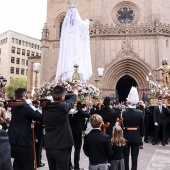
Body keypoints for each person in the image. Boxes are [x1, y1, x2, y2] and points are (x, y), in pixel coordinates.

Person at [42, 85, 77, 170]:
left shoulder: (45, 107)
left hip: (50, 145)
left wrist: (54, 96)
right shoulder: (64, 107)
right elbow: (74, 96)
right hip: (62, 146)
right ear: (62, 97)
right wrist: (63, 95)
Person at [8, 88, 43, 170]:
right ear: (24, 95)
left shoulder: (14, 105)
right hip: (24, 141)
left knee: (18, 164)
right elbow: (39, 117)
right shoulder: (25, 107)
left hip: (13, 139)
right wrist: (32, 107)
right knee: (28, 165)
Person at [122, 87, 144, 170]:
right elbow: (142, 127)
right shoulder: (140, 113)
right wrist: (142, 138)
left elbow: (121, 126)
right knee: (135, 157)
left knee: (125, 156)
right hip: (136, 137)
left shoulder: (123, 113)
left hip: (126, 136)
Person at [69, 102, 90, 170]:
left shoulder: (67, 110)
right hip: (77, 132)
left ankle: (69, 164)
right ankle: (76, 166)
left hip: (69, 131)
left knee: (69, 149)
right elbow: (87, 115)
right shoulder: (78, 111)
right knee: (77, 150)